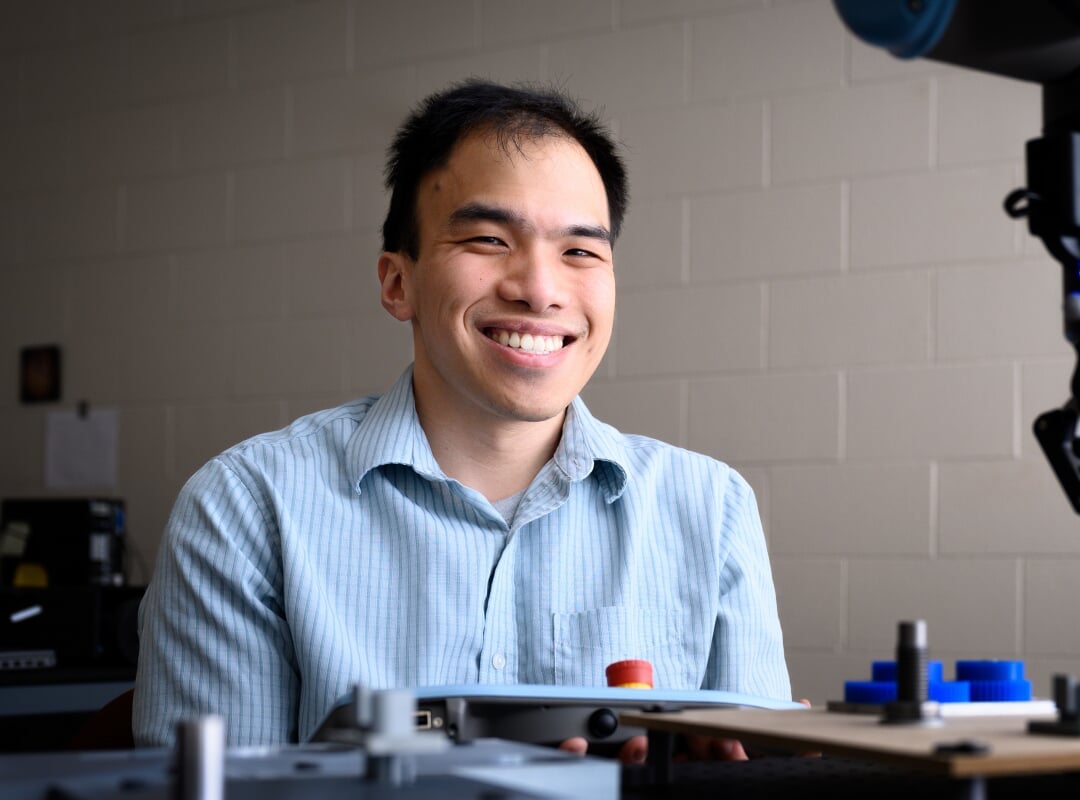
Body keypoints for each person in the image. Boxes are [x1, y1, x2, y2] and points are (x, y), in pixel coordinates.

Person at [132, 80, 791, 755]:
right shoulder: (245, 508)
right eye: (487, 239)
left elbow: (756, 770)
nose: (539, 288)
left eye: (580, 251)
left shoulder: (711, 509)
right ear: (398, 283)